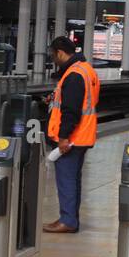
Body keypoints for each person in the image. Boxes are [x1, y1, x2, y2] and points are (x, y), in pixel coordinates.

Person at [43, 35, 100, 234]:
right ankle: (70, 219)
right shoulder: (86, 69)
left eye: (53, 55)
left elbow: (71, 110)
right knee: (73, 179)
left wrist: (63, 137)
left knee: (66, 179)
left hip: (73, 138)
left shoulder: (74, 75)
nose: (53, 60)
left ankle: (68, 220)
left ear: (60, 53)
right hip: (83, 135)